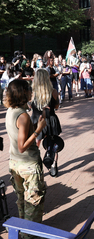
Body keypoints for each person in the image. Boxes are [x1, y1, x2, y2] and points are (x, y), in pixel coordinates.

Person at [5, 80, 46, 238]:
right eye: (29, 89)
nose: (31, 92)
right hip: (28, 165)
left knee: (21, 200)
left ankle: (22, 232)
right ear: (23, 93)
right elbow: (22, 146)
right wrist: (38, 130)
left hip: (15, 163)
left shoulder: (11, 110)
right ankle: (29, 235)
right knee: (33, 205)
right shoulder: (23, 116)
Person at [30, 69, 62, 177]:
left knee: (35, 145)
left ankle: (36, 167)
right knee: (52, 143)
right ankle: (53, 165)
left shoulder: (32, 93)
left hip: (36, 120)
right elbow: (57, 106)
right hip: (50, 119)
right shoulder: (53, 91)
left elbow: (29, 106)